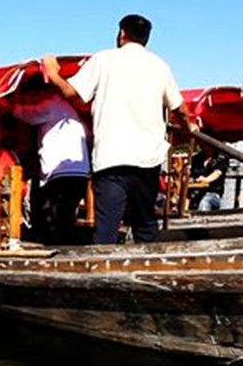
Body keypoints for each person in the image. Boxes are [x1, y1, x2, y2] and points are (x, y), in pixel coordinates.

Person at [43, 14, 198, 244]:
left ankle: (103, 272)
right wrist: (189, 128)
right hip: (147, 160)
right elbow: (180, 110)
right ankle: (149, 268)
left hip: (112, 159)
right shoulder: (159, 65)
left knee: (107, 228)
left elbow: (69, 92)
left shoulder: (104, 60)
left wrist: (52, 71)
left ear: (122, 33)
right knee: (145, 224)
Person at [11, 87, 90, 244]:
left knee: (60, 214)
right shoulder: (70, 110)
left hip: (62, 171)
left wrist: (14, 104)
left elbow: (26, 115)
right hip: (77, 170)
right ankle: (63, 245)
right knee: (63, 213)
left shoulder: (52, 105)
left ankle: (63, 252)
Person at [188, 140, 228, 211]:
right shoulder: (196, 158)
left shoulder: (220, 158)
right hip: (195, 192)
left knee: (204, 203)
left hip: (213, 193)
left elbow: (218, 172)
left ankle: (202, 220)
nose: (203, 145)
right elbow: (190, 173)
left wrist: (206, 179)